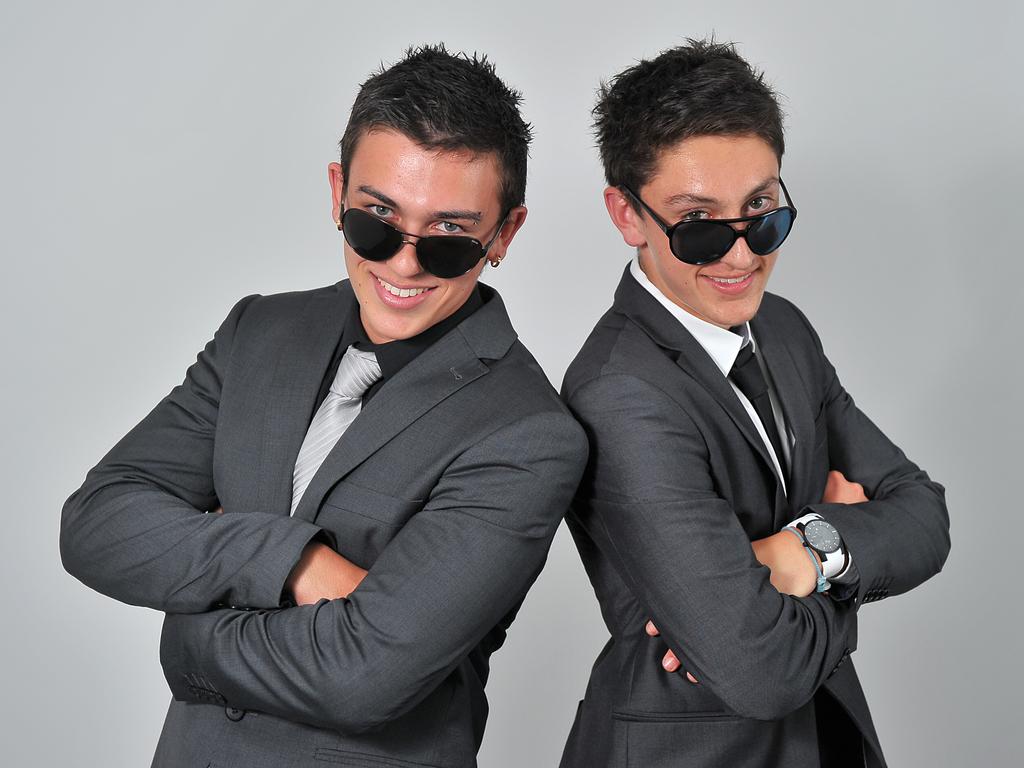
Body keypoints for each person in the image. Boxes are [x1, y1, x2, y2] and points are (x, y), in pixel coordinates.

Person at [60, 45, 587, 768]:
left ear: (504, 235)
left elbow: (366, 676)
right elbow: (97, 522)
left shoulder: (529, 433)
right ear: (337, 190)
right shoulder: (260, 332)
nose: (403, 264)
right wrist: (294, 560)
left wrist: (186, 629)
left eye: (449, 239)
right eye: (376, 219)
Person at [559, 39, 950, 768]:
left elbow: (926, 515)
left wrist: (800, 555)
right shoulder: (619, 394)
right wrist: (842, 546)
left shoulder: (783, 328)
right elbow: (757, 667)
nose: (742, 255)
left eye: (762, 210)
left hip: (828, 739)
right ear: (627, 214)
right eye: (701, 224)